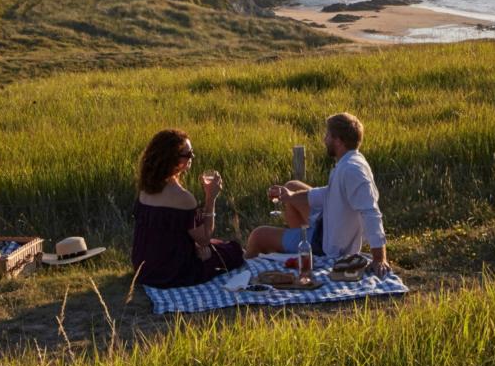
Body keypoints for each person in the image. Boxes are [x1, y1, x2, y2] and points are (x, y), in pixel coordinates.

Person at [245, 112, 390, 276]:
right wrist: (290, 196)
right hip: (328, 224)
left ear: (338, 141)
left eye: (328, 135)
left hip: (327, 244)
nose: (324, 139)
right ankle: (300, 245)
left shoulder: (352, 171)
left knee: (258, 236)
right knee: (292, 186)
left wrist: (379, 258)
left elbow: (371, 213)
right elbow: (329, 193)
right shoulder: (350, 161)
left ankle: (242, 274)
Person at [131, 128, 244, 288]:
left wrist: (197, 245)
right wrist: (210, 198)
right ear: (172, 160)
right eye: (188, 154)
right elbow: (204, 238)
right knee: (234, 251)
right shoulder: (183, 198)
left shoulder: (145, 190)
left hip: (144, 270)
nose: (193, 157)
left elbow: (164, 235)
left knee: (216, 245)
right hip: (174, 272)